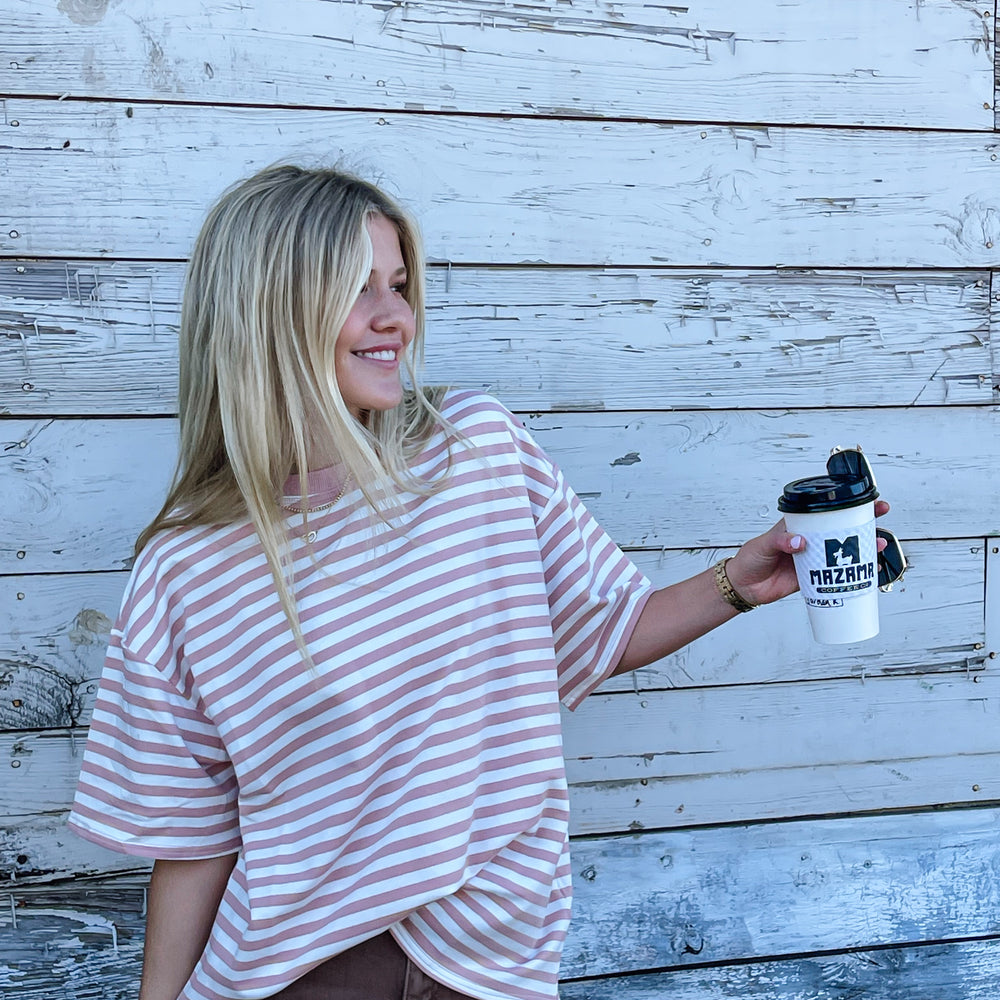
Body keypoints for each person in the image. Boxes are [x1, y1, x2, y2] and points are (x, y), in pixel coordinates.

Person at [69, 165, 889, 1000]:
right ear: (269, 314)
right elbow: (195, 836)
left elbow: (598, 631)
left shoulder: (476, 452)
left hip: (494, 957)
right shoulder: (188, 567)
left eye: (399, 284)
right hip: (303, 969)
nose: (396, 317)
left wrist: (739, 583)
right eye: (357, 291)